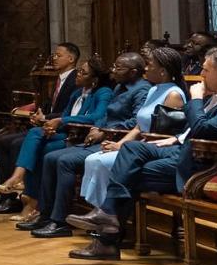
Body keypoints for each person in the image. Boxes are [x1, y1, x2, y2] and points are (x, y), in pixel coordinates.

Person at [66, 46, 217, 261]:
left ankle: (106, 234)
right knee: (132, 149)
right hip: (184, 149)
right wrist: (177, 138)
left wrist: (195, 99)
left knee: (127, 173)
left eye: (206, 70)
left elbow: (203, 129)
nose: (201, 75)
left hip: (206, 164)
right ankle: (108, 217)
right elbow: (196, 128)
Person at [26, 52, 151, 238]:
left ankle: (60, 221)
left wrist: (106, 130)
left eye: (118, 67)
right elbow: (106, 115)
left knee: (64, 161)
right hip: (104, 135)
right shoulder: (120, 87)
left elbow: (136, 121)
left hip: (118, 141)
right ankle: (45, 215)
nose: (113, 70)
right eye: (114, 66)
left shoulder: (141, 90)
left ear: (133, 72)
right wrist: (99, 126)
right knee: (51, 157)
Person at [74, 46, 189, 222]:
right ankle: (99, 212)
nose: (146, 68)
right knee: (93, 159)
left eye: (150, 65)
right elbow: (138, 126)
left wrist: (129, 147)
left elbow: (167, 133)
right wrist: (119, 145)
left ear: (163, 71)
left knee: (99, 162)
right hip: (138, 145)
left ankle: (108, 216)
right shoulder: (153, 90)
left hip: (153, 149)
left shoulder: (173, 94)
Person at [0, 55, 111, 221]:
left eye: (83, 73)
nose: (78, 75)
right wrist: (49, 125)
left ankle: (31, 200)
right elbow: (65, 115)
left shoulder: (102, 93)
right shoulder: (76, 93)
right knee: (36, 134)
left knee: (42, 150)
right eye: (78, 71)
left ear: (94, 79)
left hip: (80, 138)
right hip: (65, 133)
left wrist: (61, 121)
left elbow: (96, 116)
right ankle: (26, 192)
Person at [0, 42, 82, 212]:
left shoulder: (76, 80)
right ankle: (5, 195)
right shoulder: (58, 79)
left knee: (17, 144)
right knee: (3, 142)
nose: (54, 58)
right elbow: (49, 104)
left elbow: (68, 111)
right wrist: (38, 115)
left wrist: (46, 118)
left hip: (60, 128)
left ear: (71, 58)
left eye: (59, 55)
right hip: (46, 123)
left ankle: (20, 194)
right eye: (54, 54)